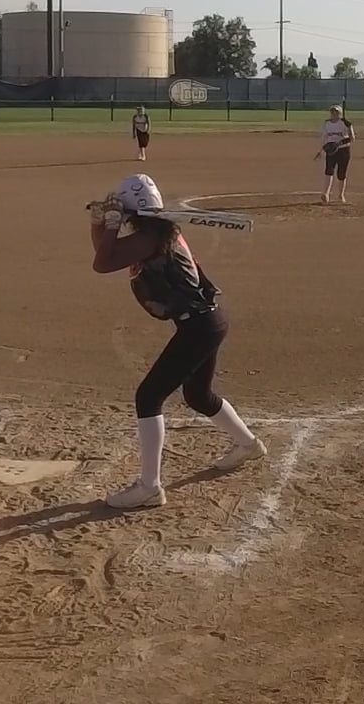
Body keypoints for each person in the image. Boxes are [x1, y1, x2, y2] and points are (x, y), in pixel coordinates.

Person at [88, 174, 265, 510]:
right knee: (198, 395)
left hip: (199, 326)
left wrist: (110, 223)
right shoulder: (155, 233)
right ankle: (248, 444)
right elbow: (106, 252)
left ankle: (150, 487)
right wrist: (101, 223)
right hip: (206, 322)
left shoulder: (149, 238)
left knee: (148, 396)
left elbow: (102, 263)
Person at [315, 103, 355, 204]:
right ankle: (326, 194)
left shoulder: (344, 123)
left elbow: (352, 138)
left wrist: (339, 143)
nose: (334, 114)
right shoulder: (326, 123)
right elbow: (324, 138)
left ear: (340, 113)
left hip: (343, 150)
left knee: (341, 173)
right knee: (329, 171)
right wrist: (321, 150)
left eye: (336, 112)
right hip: (331, 150)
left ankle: (341, 195)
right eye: (332, 112)